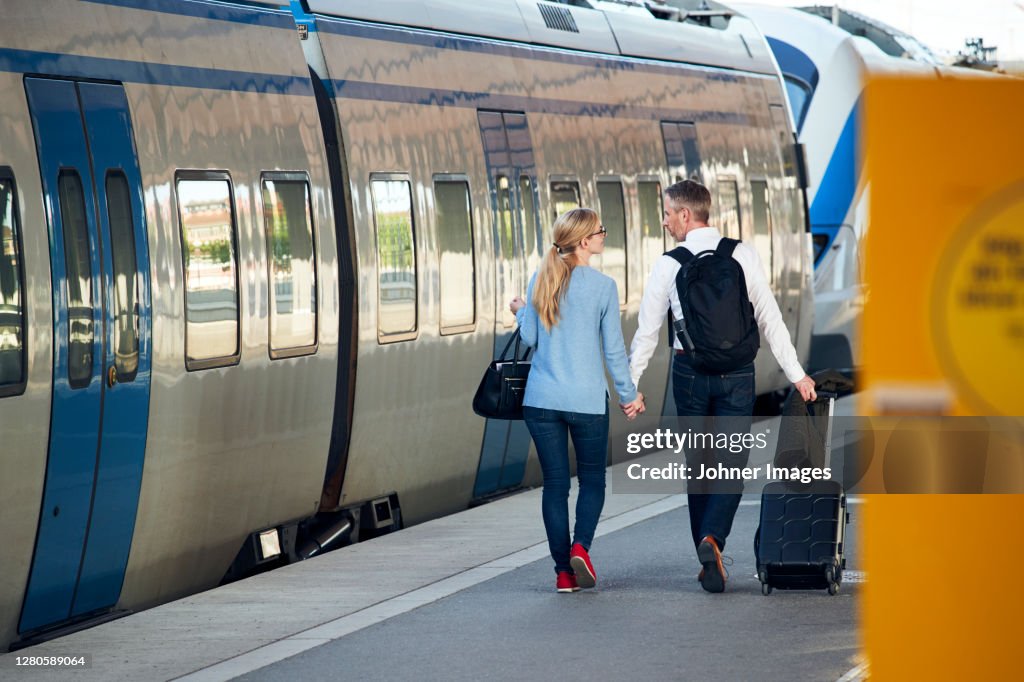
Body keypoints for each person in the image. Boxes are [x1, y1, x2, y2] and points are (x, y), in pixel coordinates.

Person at [628, 180, 816, 594]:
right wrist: (796, 373)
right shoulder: (741, 253)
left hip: (689, 373)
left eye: (667, 212)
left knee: (699, 464)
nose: (664, 220)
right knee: (731, 462)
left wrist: (631, 385)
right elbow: (768, 316)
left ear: (685, 215)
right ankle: (712, 539)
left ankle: (705, 545)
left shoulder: (669, 263)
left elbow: (648, 332)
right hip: (737, 375)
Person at [510, 207, 645, 593]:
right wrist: (628, 396)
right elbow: (614, 351)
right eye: (600, 231)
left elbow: (532, 338)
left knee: (555, 485)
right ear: (585, 241)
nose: (604, 235)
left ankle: (563, 573)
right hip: (586, 402)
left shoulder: (542, 277)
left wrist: (521, 312)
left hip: (541, 400)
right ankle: (581, 549)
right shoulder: (603, 287)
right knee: (592, 481)